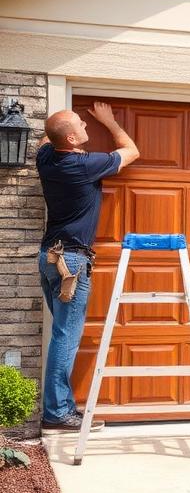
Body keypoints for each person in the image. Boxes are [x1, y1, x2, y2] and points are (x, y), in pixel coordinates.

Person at [37, 102, 139, 432]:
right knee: (66, 338)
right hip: (71, 262)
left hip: (49, 257)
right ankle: (58, 412)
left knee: (61, 336)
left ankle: (60, 407)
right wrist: (109, 122)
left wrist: (59, 129)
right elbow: (131, 151)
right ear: (70, 138)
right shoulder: (83, 166)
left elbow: (45, 141)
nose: (86, 124)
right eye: (80, 125)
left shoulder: (47, 159)